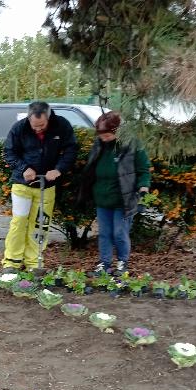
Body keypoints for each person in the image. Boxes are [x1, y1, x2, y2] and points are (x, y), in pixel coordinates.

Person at [2, 101, 78, 273]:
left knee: (40, 224)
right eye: (34, 125)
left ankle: (34, 263)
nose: (38, 129)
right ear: (29, 118)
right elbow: (9, 152)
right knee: (19, 222)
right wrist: (23, 168)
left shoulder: (62, 126)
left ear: (49, 117)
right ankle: (11, 263)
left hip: (47, 186)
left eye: (42, 125)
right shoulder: (19, 128)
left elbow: (71, 149)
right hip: (22, 185)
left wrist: (59, 169)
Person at [79, 111, 151, 275]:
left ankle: (122, 263)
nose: (103, 138)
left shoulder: (132, 145)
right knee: (104, 233)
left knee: (119, 233)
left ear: (117, 131)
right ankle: (104, 264)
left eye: (106, 135)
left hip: (124, 199)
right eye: (100, 135)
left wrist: (143, 187)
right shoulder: (99, 145)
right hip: (102, 199)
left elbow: (143, 170)